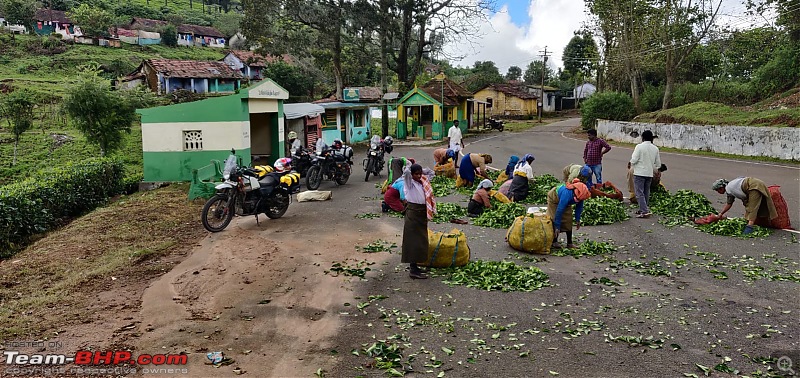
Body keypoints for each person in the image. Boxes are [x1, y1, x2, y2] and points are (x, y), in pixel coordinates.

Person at [402, 164, 436, 279]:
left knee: (421, 240)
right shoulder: (409, 183)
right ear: (412, 175)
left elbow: (432, 173)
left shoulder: (422, 182)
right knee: (413, 241)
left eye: (420, 173)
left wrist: (422, 170)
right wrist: (408, 166)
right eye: (416, 174)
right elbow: (406, 173)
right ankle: (413, 269)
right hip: (413, 213)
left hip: (421, 213)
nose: (419, 175)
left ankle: (416, 265)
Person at [712, 177, 778, 234]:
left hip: (753, 186)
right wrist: (720, 214)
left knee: (752, 207)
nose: (718, 192)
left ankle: (749, 227)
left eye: (718, 191)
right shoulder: (731, 186)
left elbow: (746, 201)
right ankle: (763, 222)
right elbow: (729, 204)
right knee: (759, 205)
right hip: (757, 183)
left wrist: (720, 214)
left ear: (721, 188)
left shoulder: (729, 189)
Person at [546, 179, 591, 249]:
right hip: (554, 199)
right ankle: (554, 241)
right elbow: (559, 210)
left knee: (568, 220)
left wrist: (577, 219)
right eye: (577, 199)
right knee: (554, 218)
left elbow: (579, 207)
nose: (578, 200)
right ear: (574, 194)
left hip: (566, 201)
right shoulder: (567, 194)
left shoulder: (581, 195)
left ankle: (569, 243)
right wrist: (557, 226)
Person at [629, 130, 661, 218]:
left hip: (639, 173)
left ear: (642, 137)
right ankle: (643, 208)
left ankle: (644, 211)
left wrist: (631, 163)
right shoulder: (655, 148)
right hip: (649, 173)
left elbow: (634, 159)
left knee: (639, 193)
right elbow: (658, 164)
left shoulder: (639, 147)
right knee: (646, 192)